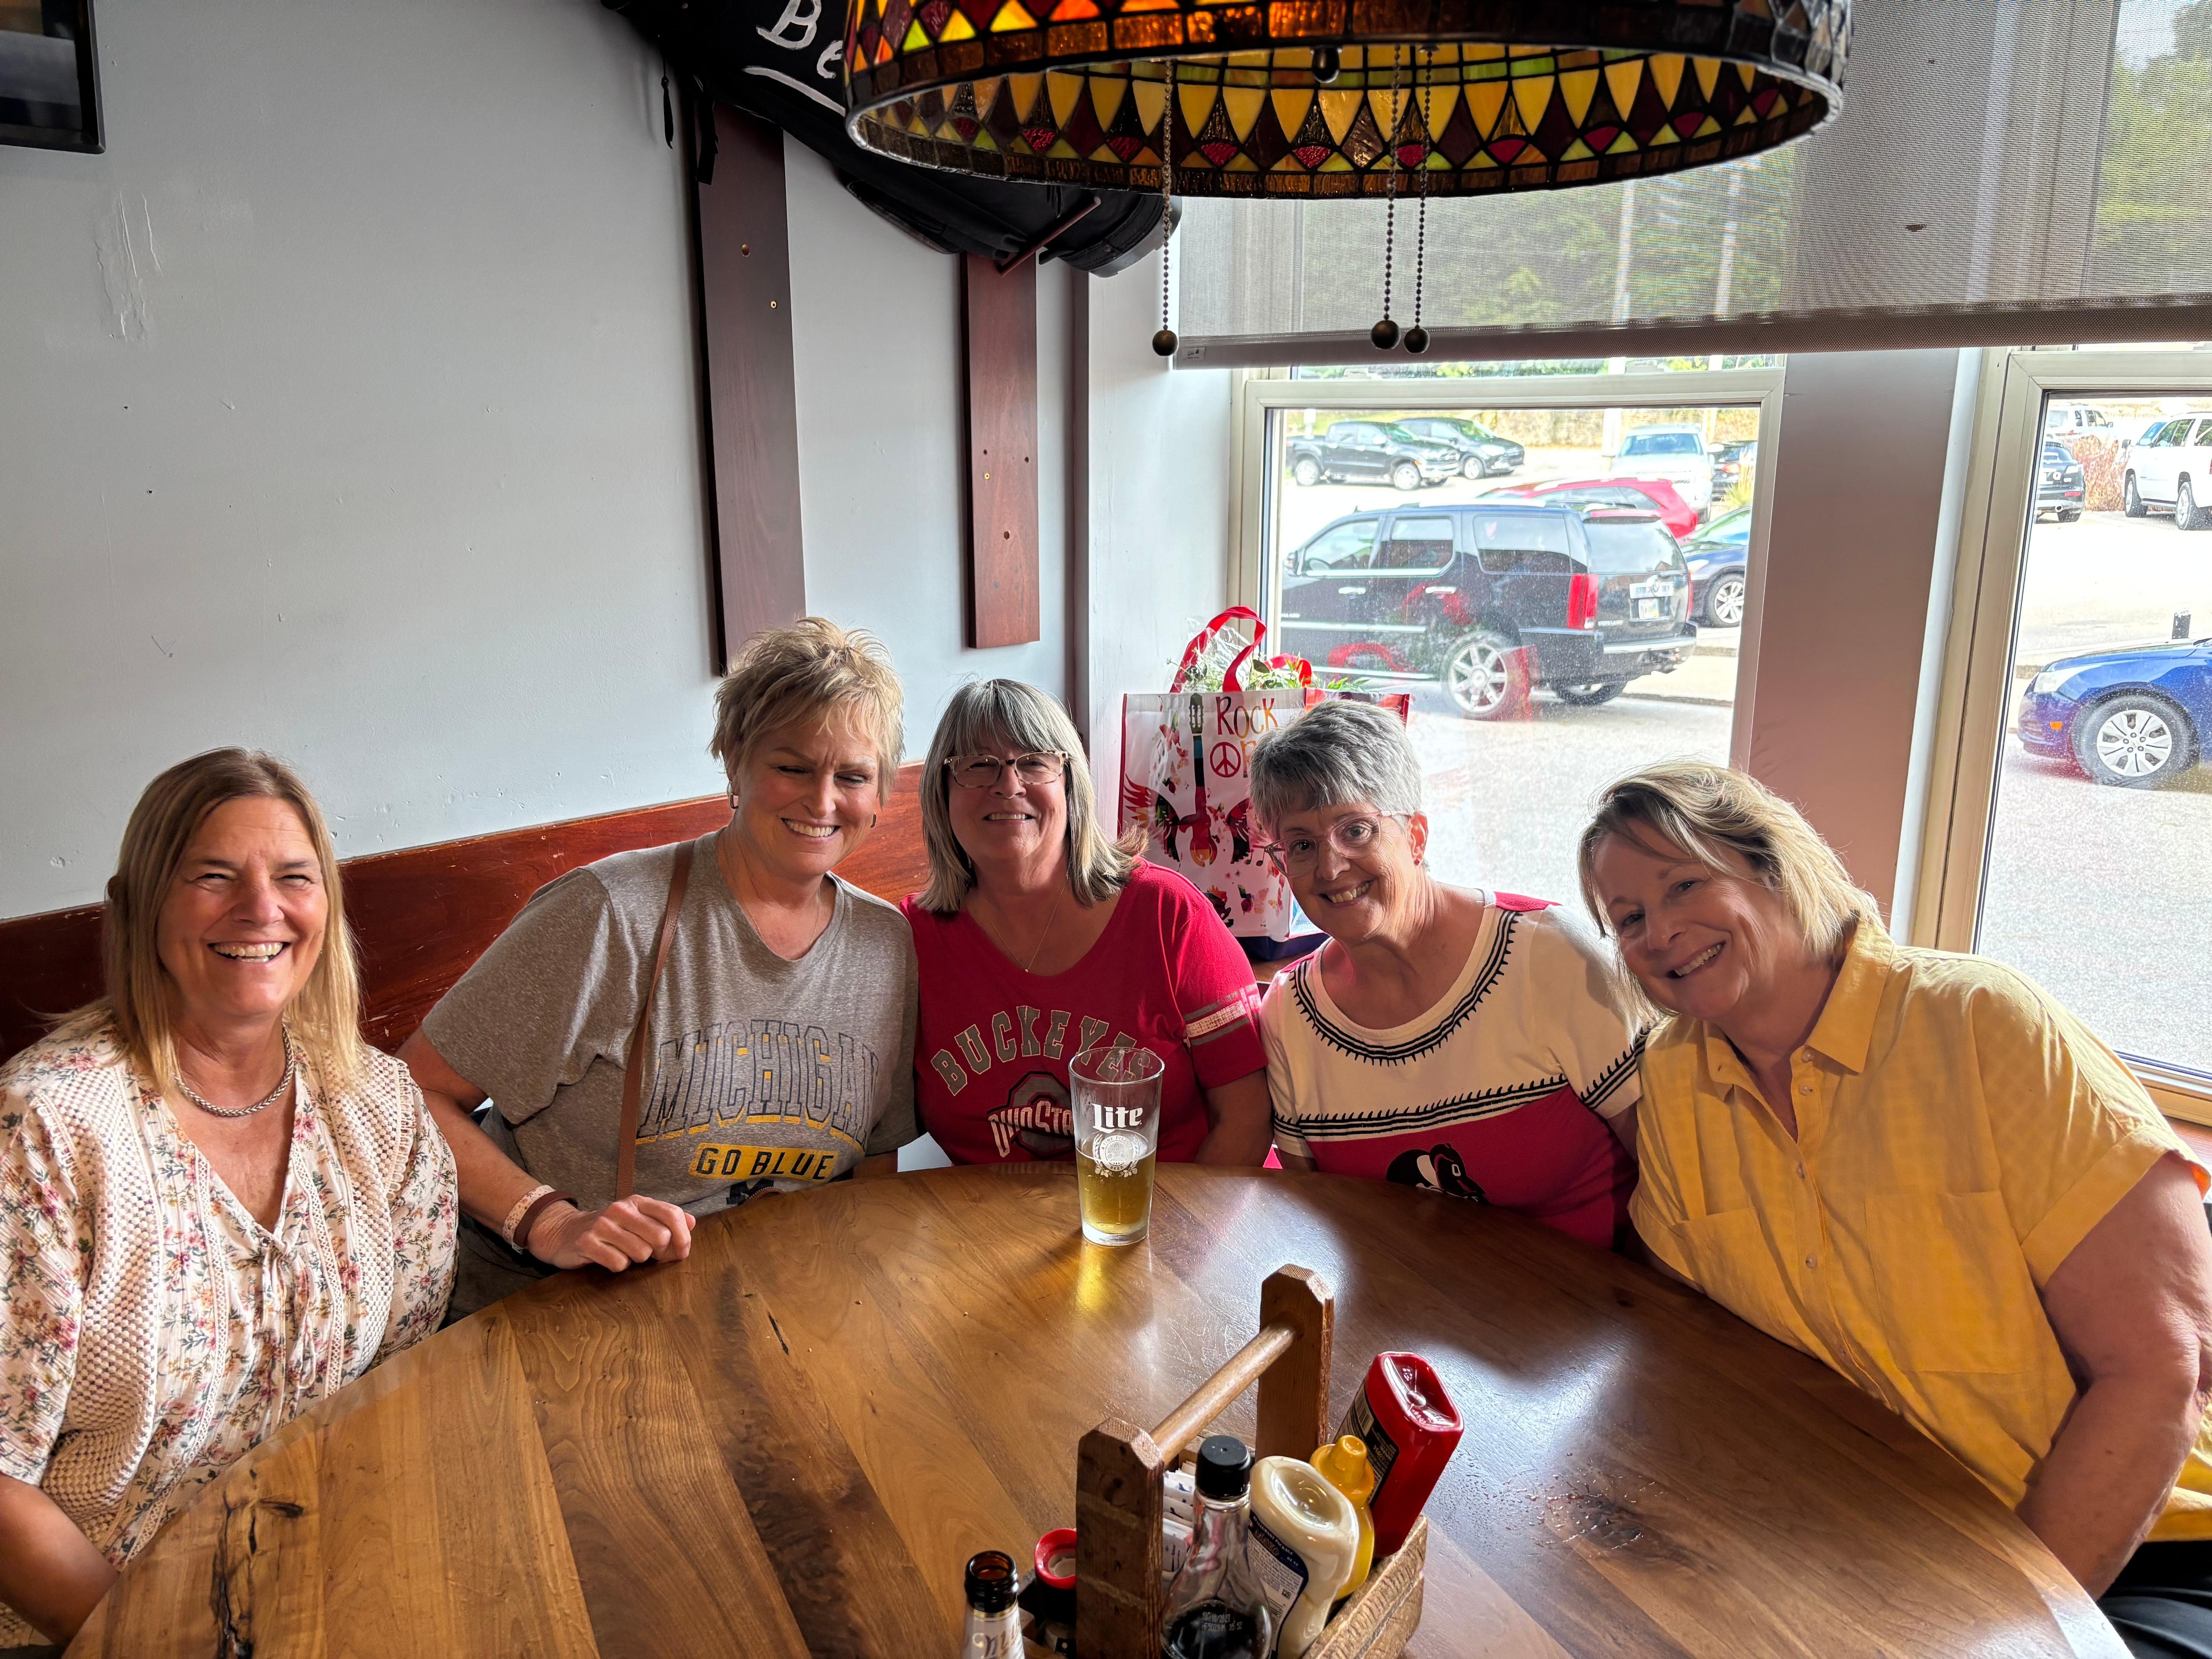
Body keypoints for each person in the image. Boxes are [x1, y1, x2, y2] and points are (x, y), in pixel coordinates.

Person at [1580, 760, 2212, 1649]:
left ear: (1773, 867)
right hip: (1883, 1542)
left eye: (1685, 883)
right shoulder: (1677, 1079)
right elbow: (1692, 1343)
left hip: (2135, 1547)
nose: (1662, 933)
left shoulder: (1982, 1026)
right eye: (1629, 919)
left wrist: (2004, 1635)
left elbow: (2162, 1372)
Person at [0, 750, 457, 1652]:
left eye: (294, 878)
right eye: (214, 877)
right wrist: (165, 1641)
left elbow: (406, 1379)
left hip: (325, 1579)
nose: (262, 911)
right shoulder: (46, 1127)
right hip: (89, 1620)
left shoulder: (377, 1100)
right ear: (142, 907)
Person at [400, 618, 918, 1318]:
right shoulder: (610, 914)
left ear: (881, 794)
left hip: (767, 1307)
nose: (822, 802)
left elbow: (874, 1167)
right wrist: (550, 1221)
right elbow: (410, 1099)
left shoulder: (887, 946)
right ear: (734, 762)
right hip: (554, 1309)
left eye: (852, 776)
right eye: (792, 766)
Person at [1249, 699, 1641, 1247]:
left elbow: (1670, 1173)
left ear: (1415, 837)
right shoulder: (1291, 1014)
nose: (1330, 867)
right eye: (1302, 845)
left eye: (1356, 830)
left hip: (1594, 1313)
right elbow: (1315, 1220)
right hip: (1400, 1315)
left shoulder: (1547, 957)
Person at [902, 680, 1271, 1167]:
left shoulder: (1167, 916)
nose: (1008, 785)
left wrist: (1177, 1242)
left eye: (1034, 762)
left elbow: (1247, 1119)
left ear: (1070, 785)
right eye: (976, 765)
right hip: (986, 1234)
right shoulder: (909, 939)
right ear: (941, 792)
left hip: (1172, 1221)